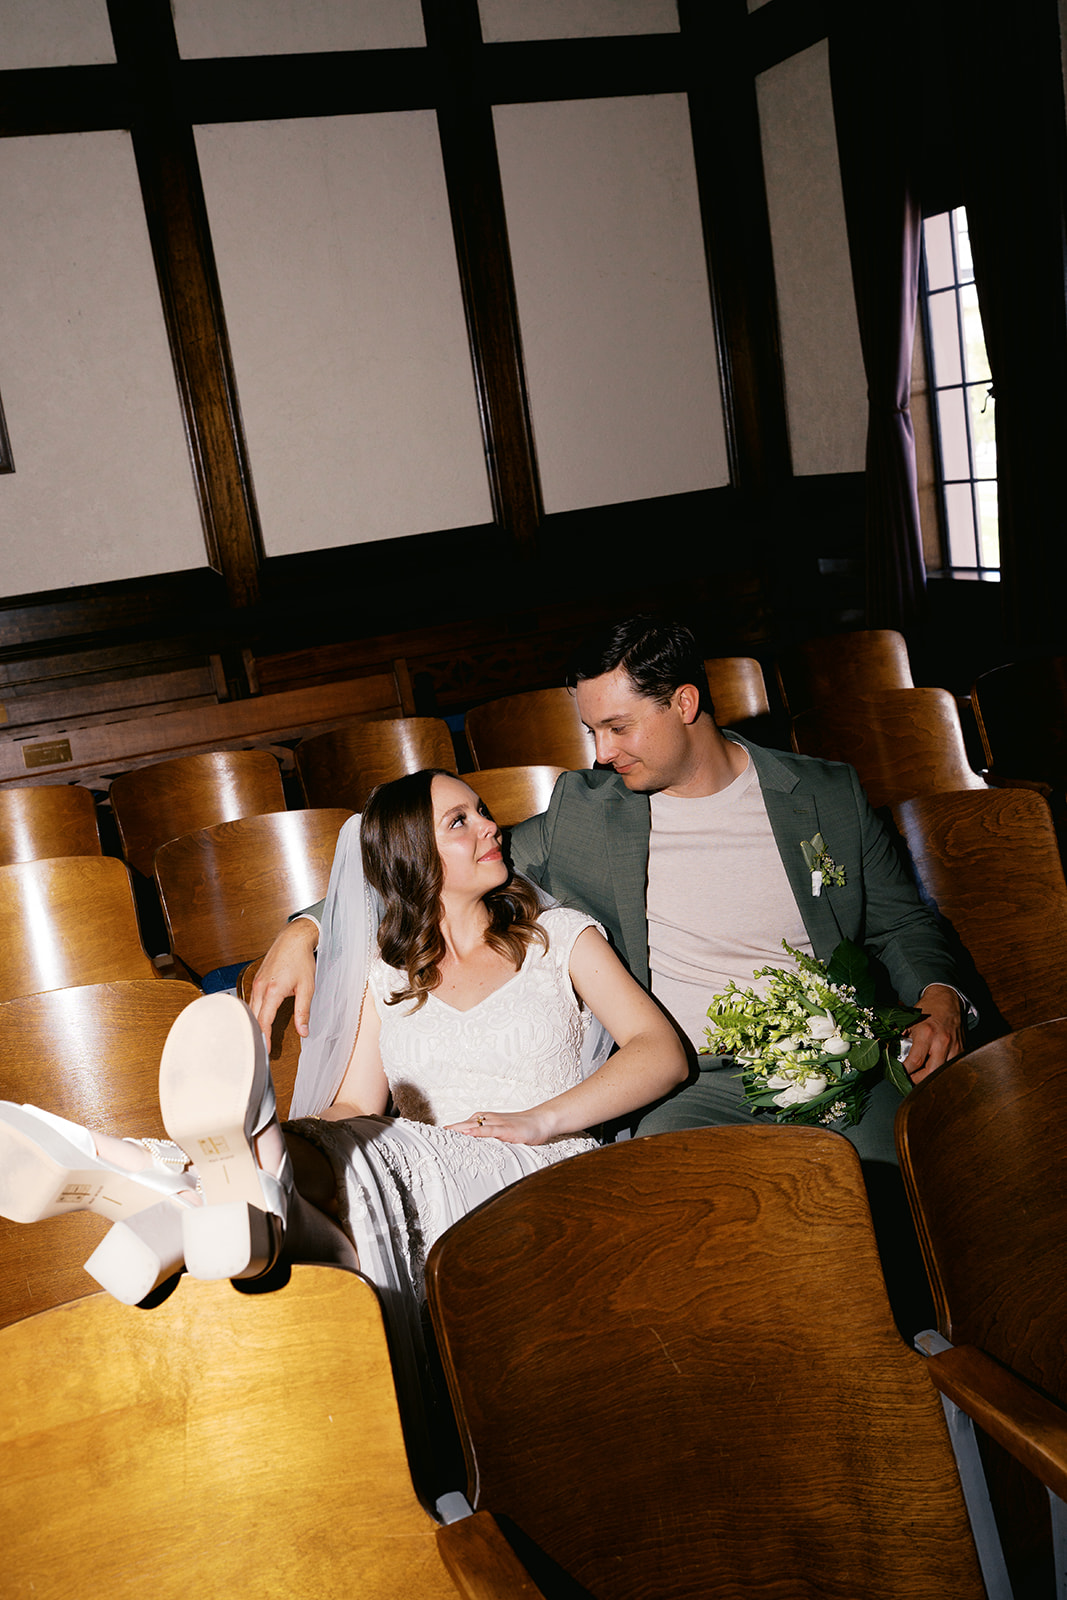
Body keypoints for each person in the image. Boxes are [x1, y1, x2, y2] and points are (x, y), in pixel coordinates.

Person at [0, 766, 685, 1344]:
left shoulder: (558, 937)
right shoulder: (385, 972)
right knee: (351, 1167)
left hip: (545, 1168)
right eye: (460, 822)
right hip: (419, 1173)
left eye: (481, 812)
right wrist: (305, 1131)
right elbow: (356, 1104)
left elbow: (659, 1053)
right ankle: (216, 1188)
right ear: (413, 853)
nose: (490, 827)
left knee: (371, 1153)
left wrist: (538, 1120)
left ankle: (152, 1175)